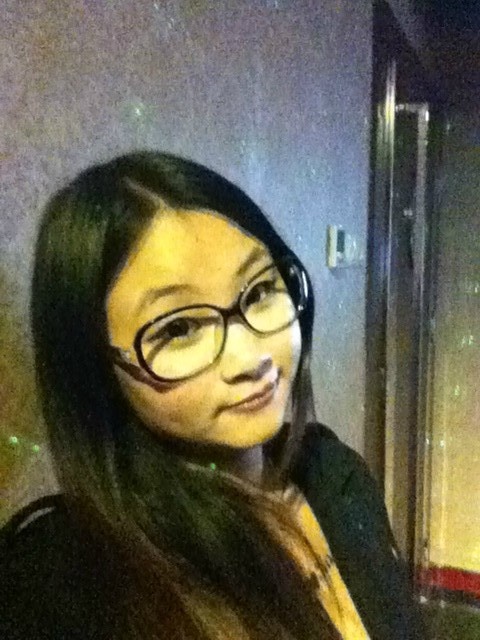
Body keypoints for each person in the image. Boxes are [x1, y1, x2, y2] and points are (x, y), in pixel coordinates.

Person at [0, 152, 424, 639]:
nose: (252, 357)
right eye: (179, 328)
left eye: (260, 291)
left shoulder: (333, 475)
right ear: (94, 364)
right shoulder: (64, 585)